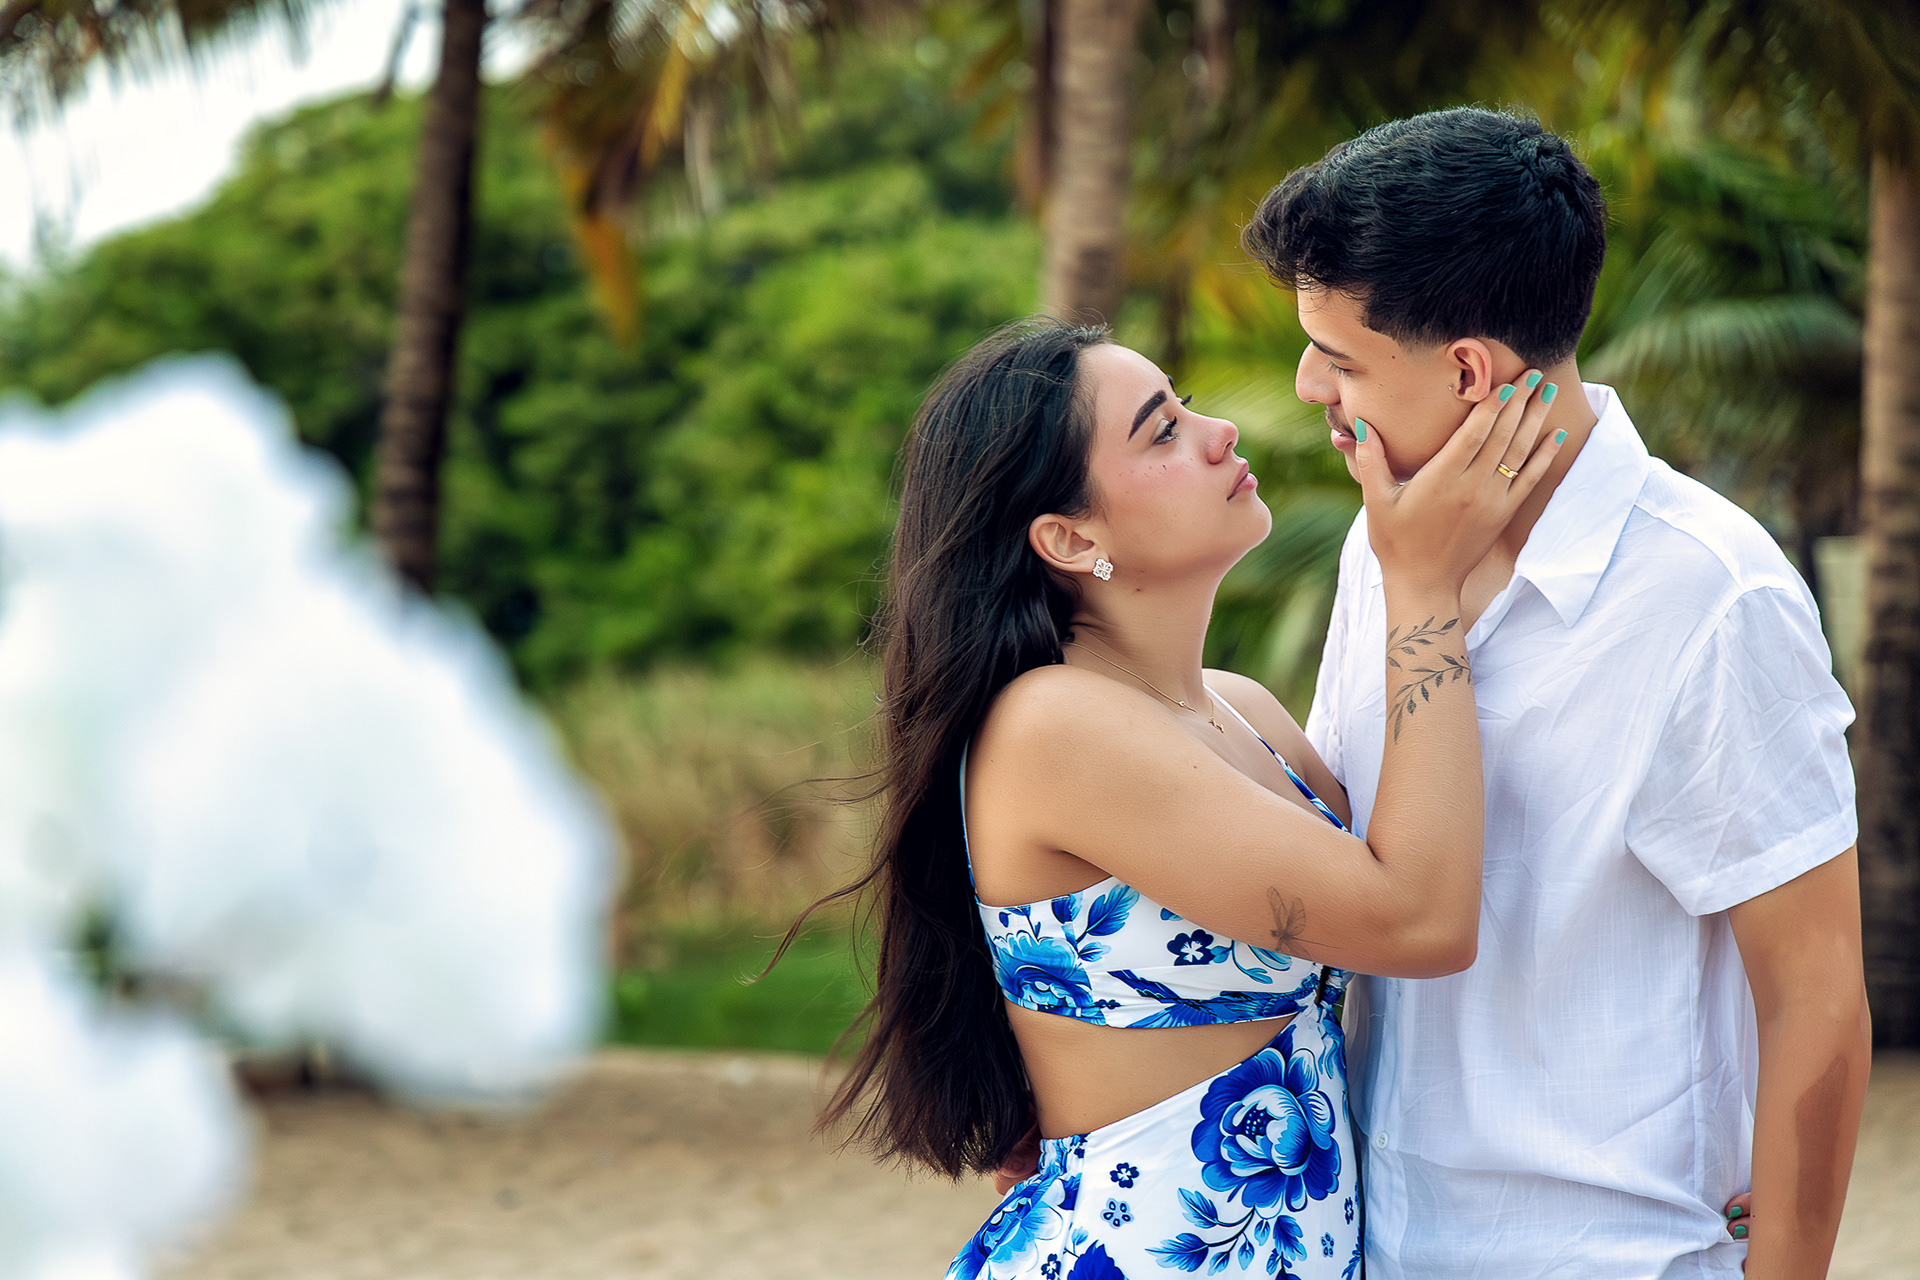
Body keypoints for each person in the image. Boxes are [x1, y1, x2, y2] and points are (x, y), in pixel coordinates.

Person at [796, 316, 1565, 1280]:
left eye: (1187, 406)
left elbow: (1414, 871)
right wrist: (1420, 584)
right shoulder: (1053, 724)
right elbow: (1418, 920)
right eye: (1162, 430)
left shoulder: (1241, 711)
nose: (1219, 432)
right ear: (1070, 537)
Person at [1241, 106, 1871, 1279]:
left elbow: (1817, 992)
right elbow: (1348, 861)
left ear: (1468, 370)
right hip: (1381, 1244)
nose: (1306, 382)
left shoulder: (1712, 593)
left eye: (1338, 357)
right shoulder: (1384, 545)